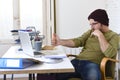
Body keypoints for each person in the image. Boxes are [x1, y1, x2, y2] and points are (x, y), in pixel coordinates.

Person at [52, 9, 119, 80]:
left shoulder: (114, 36)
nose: (91, 27)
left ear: (102, 22)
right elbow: (78, 41)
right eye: (90, 24)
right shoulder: (90, 32)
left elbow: (110, 53)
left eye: (94, 24)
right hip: (77, 61)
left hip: (92, 64)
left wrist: (100, 36)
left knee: (93, 77)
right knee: (55, 74)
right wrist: (60, 42)